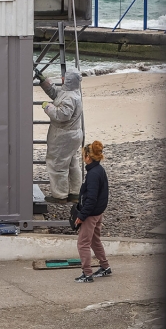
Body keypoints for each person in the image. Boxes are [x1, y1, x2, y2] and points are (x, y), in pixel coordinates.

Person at [35, 66, 84, 203]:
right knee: (72, 163)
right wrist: (45, 81)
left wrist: (47, 107)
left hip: (64, 137)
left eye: (65, 77)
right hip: (72, 135)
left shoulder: (69, 97)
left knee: (57, 164)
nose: (62, 78)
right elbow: (56, 93)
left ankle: (60, 195)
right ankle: (75, 192)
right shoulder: (72, 93)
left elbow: (62, 115)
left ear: (68, 80)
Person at [74, 140, 112, 283]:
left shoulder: (92, 174)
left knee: (83, 243)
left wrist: (82, 216)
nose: (83, 157)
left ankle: (87, 274)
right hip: (98, 213)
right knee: (95, 240)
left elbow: (91, 199)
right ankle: (105, 266)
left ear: (88, 157)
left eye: (83, 155)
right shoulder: (99, 170)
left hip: (91, 214)